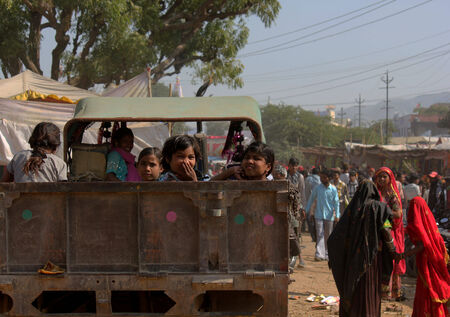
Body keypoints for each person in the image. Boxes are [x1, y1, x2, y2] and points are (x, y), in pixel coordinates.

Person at [328, 180, 399, 317]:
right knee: (370, 289)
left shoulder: (353, 209)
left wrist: (339, 257)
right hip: (372, 259)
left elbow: (334, 238)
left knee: (354, 289)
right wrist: (393, 250)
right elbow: (386, 231)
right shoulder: (380, 208)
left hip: (353, 261)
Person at [403, 197, 450, 317]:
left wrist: (403, 255)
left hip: (427, 264)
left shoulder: (418, 223)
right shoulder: (428, 221)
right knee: (433, 290)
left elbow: (422, 245)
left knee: (427, 291)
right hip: (432, 262)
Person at [375, 167, 406, 301]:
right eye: (380, 176)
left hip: (387, 230)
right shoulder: (374, 193)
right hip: (375, 230)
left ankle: (388, 292)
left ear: (389, 179)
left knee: (388, 261)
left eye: (384, 177)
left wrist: (383, 211)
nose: (382, 179)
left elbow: (398, 214)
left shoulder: (392, 196)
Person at [2, 122, 67, 182]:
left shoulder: (18, 157)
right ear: (56, 144)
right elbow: (63, 190)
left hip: (21, 194)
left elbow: (4, 184)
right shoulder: (59, 163)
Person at [305, 168, 339, 261]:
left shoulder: (333, 189)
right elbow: (311, 200)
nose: (322, 179)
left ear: (329, 178)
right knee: (319, 234)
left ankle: (327, 254)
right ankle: (319, 254)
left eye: (324, 177)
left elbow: (336, 203)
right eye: (321, 177)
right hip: (318, 215)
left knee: (328, 235)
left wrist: (337, 215)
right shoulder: (317, 188)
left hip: (330, 216)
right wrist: (306, 210)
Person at [286, 157, 306, 268]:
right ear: (288, 165)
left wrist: (302, 208)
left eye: (296, 165)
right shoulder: (285, 176)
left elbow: (302, 194)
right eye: (292, 165)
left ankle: (300, 258)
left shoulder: (300, 177)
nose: (294, 167)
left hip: (296, 208)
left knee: (297, 232)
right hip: (287, 207)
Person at [305, 167, 321, 242]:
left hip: (309, 202)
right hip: (318, 204)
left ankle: (313, 235)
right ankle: (317, 235)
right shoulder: (321, 180)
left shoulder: (307, 179)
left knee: (309, 220)